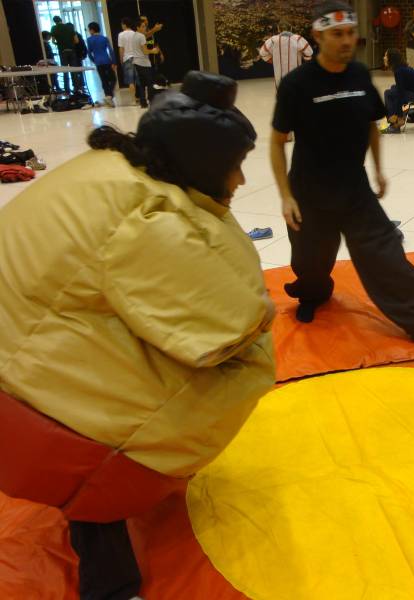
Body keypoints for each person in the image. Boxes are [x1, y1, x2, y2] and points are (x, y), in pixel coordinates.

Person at [0, 71, 275, 600]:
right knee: (241, 362)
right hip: (44, 422)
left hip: (17, 373)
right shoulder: (150, 216)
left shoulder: (107, 167)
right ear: (201, 163)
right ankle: (110, 583)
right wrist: (260, 313)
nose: (241, 182)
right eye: (235, 168)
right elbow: (227, 326)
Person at [270, 0, 414, 342]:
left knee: (383, 250)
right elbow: (276, 143)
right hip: (309, 192)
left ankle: (413, 316)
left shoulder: (359, 75)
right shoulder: (296, 84)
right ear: (317, 36)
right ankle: (313, 296)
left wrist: (378, 170)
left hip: (354, 188)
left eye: (350, 33)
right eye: (337, 34)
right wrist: (286, 197)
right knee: (311, 261)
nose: (347, 40)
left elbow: (370, 125)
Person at [382, 48, 414, 133]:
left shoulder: (399, 71)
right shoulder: (401, 69)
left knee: (389, 93)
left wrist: (398, 114)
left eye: (386, 56)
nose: (384, 58)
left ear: (391, 58)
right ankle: (394, 120)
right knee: (393, 89)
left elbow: (400, 93)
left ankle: (395, 120)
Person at [258, 23, 313, 88]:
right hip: (295, 72)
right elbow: (309, 53)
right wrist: (305, 61)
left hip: (279, 73)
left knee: (281, 91)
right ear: (291, 29)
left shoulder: (273, 40)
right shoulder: (298, 39)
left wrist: (271, 60)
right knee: (296, 91)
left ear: (279, 29)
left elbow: (262, 53)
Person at [119, 17, 157, 108]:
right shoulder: (141, 36)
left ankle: (142, 102)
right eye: (143, 26)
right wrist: (153, 51)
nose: (145, 28)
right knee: (149, 83)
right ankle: (152, 101)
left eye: (145, 26)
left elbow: (124, 48)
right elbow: (145, 51)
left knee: (140, 84)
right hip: (144, 63)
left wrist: (122, 60)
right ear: (138, 27)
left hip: (135, 62)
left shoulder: (134, 36)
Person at [86, 22, 117, 106]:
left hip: (98, 62)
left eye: (89, 30)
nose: (89, 31)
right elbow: (110, 50)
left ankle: (108, 96)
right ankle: (109, 96)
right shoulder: (104, 38)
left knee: (104, 80)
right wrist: (114, 61)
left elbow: (89, 53)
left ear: (92, 30)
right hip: (107, 60)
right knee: (113, 79)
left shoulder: (89, 40)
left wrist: (94, 60)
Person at [50, 15, 79, 94]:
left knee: (65, 71)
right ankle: (76, 89)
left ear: (54, 22)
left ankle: (67, 90)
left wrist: (58, 43)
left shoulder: (54, 28)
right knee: (74, 70)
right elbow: (76, 41)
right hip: (72, 50)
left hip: (62, 52)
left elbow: (53, 41)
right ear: (61, 20)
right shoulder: (69, 27)